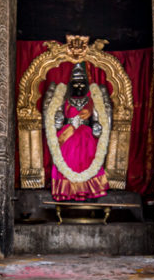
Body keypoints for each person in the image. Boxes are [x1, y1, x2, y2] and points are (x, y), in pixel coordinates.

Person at [45, 62, 110, 201]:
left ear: (86, 83)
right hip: (67, 134)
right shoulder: (64, 99)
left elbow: (99, 121)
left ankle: (85, 191)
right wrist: (58, 120)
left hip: (86, 136)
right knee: (67, 160)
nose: (79, 86)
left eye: (81, 83)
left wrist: (97, 128)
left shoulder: (92, 101)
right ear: (70, 84)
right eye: (76, 83)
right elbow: (56, 120)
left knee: (88, 160)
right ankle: (67, 191)